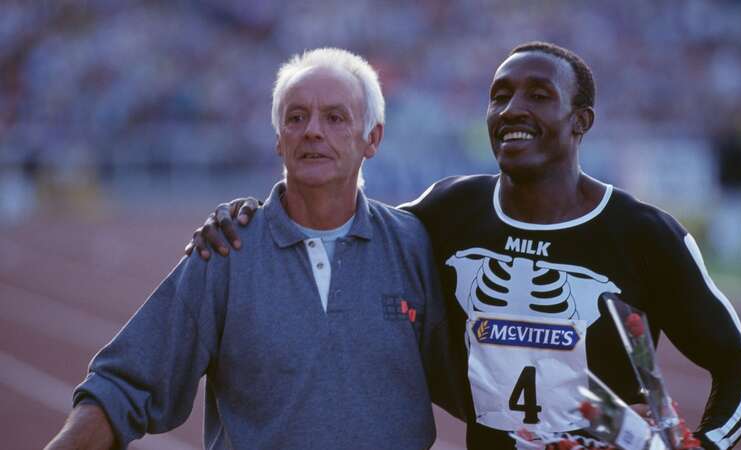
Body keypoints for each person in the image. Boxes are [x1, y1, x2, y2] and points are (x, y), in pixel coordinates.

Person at [190, 42, 741, 450]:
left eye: (539, 95)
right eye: (500, 96)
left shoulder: (645, 234)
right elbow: (345, 229)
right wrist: (252, 216)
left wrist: (706, 445)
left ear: (580, 119)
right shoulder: (448, 211)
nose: (513, 109)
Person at [45, 48, 453, 450]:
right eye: (296, 118)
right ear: (279, 139)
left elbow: (477, 380)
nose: (312, 130)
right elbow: (125, 385)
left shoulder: (411, 245)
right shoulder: (228, 249)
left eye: (335, 117)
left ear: (372, 137)